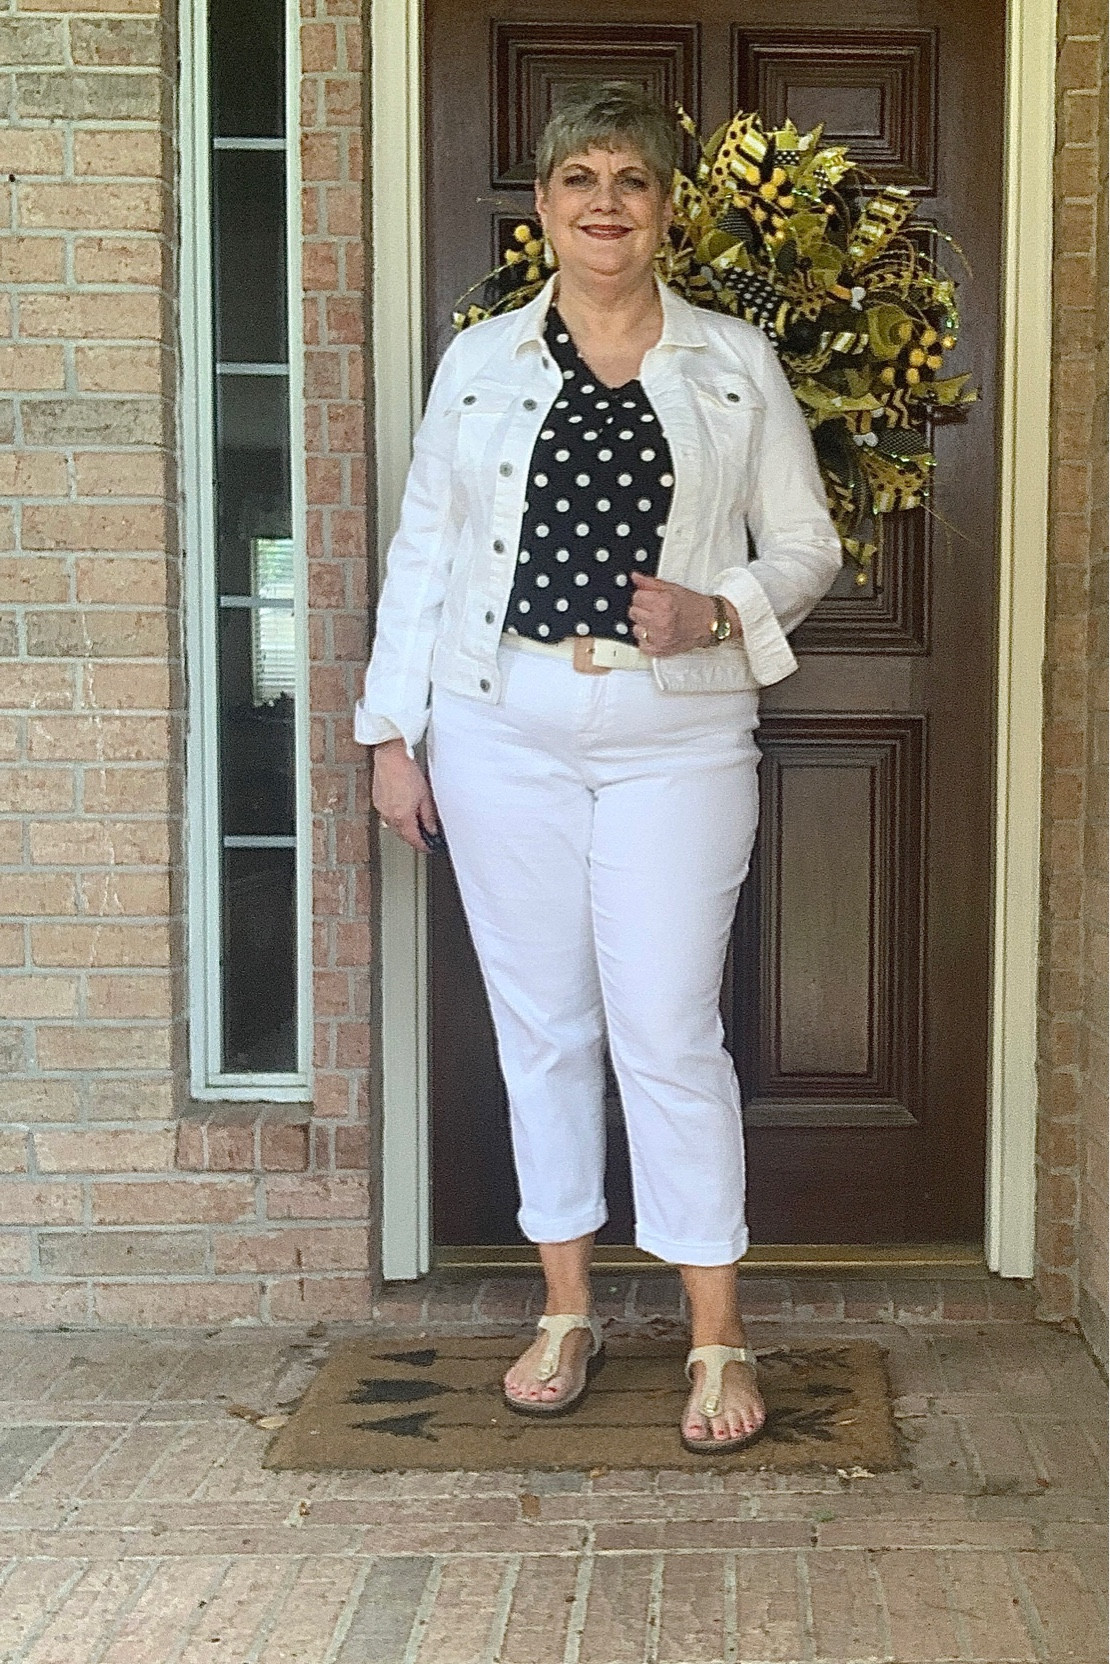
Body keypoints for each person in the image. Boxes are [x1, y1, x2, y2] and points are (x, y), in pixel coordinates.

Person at [356, 82, 841, 1452]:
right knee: (544, 1028)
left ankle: (713, 1332)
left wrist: (721, 607)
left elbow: (805, 546)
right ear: (543, 205)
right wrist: (394, 734)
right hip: (501, 723)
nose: (604, 202)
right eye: (579, 176)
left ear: (668, 208)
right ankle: (564, 1307)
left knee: (667, 1030)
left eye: (631, 178)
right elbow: (425, 555)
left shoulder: (735, 361)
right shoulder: (481, 364)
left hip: (675, 731)